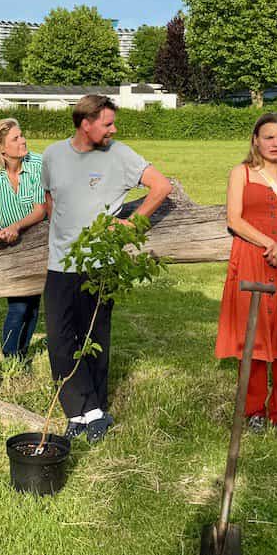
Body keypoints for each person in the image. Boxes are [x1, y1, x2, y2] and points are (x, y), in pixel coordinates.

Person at [42, 94, 173, 443]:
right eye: (107, 124)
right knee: (59, 339)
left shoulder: (121, 155)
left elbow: (162, 186)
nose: (114, 129)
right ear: (86, 124)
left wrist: (132, 224)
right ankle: (80, 412)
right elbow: (49, 197)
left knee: (95, 337)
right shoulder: (53, 155)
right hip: (60, 263)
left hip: (101, 264)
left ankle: (92, 411)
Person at [215, 112, 277, 436]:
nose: (275, 143)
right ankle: (253, 409)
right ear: (255, 140)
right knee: (252, 335)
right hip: (252, 259)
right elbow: (234, 219)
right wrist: (272, 245)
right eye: (268, 137)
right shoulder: (240, 172)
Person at [0, 118, 47, 357]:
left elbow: (40, 209)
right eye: (16, 138)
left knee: (31, 302)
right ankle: (11, 355)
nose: (23, 140)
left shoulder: (38, 164)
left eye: (22, 135)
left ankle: (17, 355)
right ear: (1, 148)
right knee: (19, 304)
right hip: (10, 244)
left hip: (36, 238)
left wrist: (16, 226)